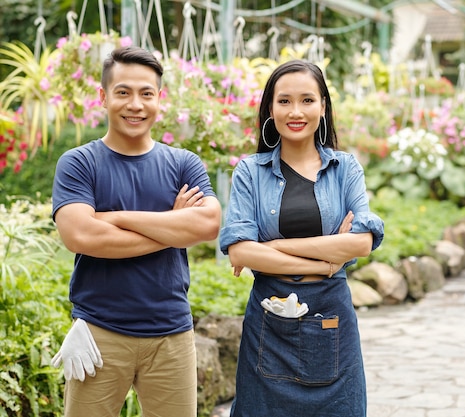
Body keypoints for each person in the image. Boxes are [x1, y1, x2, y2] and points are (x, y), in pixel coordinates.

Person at [51, 45, 221, 417]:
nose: (135, 104)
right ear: (103, 96)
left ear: (160, 99)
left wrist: (115, 218)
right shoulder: (79, 163)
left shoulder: (183, 164)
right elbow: (83, 237)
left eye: (146, 94)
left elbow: (208, 224)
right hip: (99, 332)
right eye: (123, 92)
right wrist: (173, 227)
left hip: (172, 335)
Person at [219, 59, 384, 417]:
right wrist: (326, 262)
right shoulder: (250, 171)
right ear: (270, 108)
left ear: (323, 107)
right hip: (269, 318)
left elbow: (361, 242)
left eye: (307, 100)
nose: (296, 111)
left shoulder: (345, 168)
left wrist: (274, 248)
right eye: (284, 101)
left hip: (331, 317)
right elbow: (239, 251)